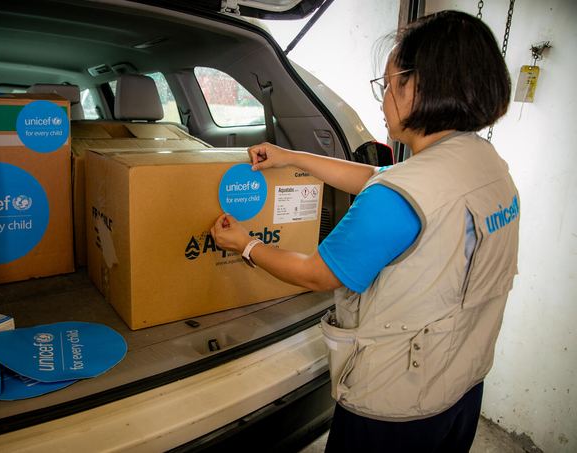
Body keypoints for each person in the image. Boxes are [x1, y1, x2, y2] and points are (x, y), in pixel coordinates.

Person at [211, 10, 520, 453]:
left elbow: (317, 274)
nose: (383, 99)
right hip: (463, 384)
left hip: (397, 405)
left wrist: (245, 244)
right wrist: (291, 157)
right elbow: (378, 177)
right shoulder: (484, 164)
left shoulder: (401, 196)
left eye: (391, 83)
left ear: (424, 87)